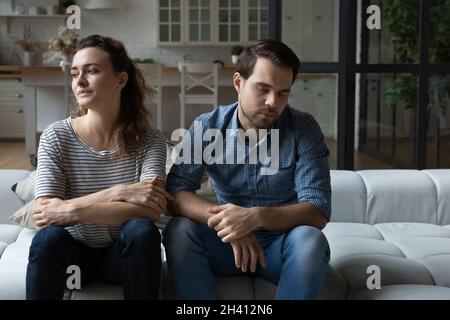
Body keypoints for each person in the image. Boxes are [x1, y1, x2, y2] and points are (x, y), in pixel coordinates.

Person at [163, 39, 331, 300]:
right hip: (225, 247)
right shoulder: (208, 126)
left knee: (311, 240)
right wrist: (230, 225)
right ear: (238, 82)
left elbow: (318, 211)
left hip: (280, 248)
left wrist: (255, 217)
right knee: (179, 230)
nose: (272, 102)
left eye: (283, 92)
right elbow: (175, 192)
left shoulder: (304, 129)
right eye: (262, 89)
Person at [26, 35, 173, 300]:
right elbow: (46, 213)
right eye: (74, 73)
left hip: (123, 257)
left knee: (141, 231)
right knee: (48, 240)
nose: (79, 81)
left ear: (121, 79)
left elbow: (150, 210)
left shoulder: (150, 139)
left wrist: (71, 209)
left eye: (91, 71)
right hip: (71, 260)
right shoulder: (56, 136)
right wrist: (117, 192)